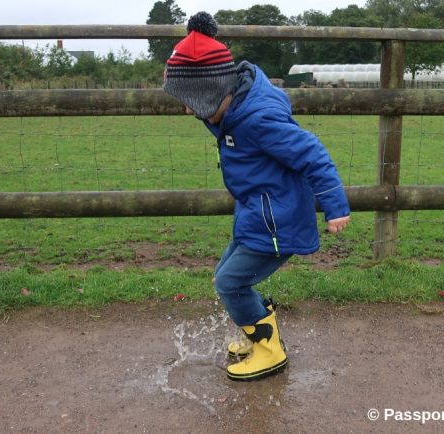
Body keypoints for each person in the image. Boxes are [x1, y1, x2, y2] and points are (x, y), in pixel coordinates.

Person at [163, 12, 351, 382]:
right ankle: (257, 333)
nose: (189, 111)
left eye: (193, 104)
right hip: (259, 214)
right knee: (225, 277)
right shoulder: (232, 108)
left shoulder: (256, 120)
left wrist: (335, 206)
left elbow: (312, 152)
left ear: (217, 94)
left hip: (277, 222)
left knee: (230, 283)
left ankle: (269, 348)